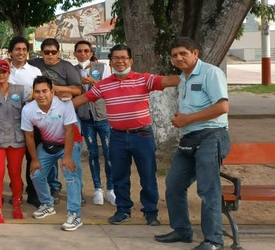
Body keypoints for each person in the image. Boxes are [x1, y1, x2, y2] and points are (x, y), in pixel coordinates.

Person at [72, 44, 180, 226]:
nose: (120, 61)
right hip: (117, 137)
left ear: (130, 60)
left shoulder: (144, 79)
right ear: (111, 62)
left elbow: (169, 80)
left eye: (124, 58)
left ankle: (151, 212)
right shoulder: (104, 85)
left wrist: (195, 74)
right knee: (119, 176)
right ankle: (123, 210)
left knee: (148, 175)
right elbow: (82, 99)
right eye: (116, 58)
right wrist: (52, 109)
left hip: (143, 135)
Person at [155, 37, 230, 250]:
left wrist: (187, 119)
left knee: (208, 190)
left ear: (195, 53)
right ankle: (182, 230)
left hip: (211, 136)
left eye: (183, 53)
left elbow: (222, 107)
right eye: (174, 55)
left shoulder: (211, 73)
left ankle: (214, 240)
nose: (178, 58)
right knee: (174, 184)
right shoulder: (183, 78)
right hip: (189, 139)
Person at [23, 76, 83, 231]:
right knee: (36, 174)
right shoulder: (28, 109)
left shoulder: (64, 104)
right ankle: (47, 205)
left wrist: (68, 157)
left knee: (70, 174)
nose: (41, 95)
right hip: (48, 145)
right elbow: (29, 136)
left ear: (52, 91)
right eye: (37, 92)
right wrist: (34, 160)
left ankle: (75, 214)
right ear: (33, 93)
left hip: (69, 143)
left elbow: (69, 130)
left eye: (45, 91)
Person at [28, 38, 83, 205]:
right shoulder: (34, 64)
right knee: (49, 152)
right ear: (41, 53)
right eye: (46, 52)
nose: (50, 55)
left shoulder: (67, 67)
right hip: (44, 115)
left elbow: (78, 89)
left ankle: (77, 191)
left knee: (72, 157)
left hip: (66, 114)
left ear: (58, 52)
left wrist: (56, 89)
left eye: (53, 52)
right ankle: (54, 187)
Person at [0, 60, 29, 223]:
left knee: (15, 173)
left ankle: (17, 205)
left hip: (17, 138)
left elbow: (30, 110)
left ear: (9, 73)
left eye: (4, 72)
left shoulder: (21, 90)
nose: (1, 75)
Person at [73, 40, 116, 206]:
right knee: (92, 153)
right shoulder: (73, 70)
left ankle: (110, 189)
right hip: (85, 117)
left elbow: (108, 90)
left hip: (102, 116)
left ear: (91, 53)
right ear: (76, 53)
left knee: (108, 153)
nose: (83, 54)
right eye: (79, 51)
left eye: (86, 51)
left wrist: (93, 82)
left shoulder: (102, 68)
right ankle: (97, 188)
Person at [4, 36, 44, 207]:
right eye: (17, 49)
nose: (20, 53)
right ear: (10, 52)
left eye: (23, 50)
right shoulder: (4, 70)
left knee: (32, 157)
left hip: (32, 121)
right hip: (9, 121)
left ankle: (33, 193)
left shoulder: (35, 71)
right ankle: (16, 192)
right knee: (14, 159)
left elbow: (41, 94)